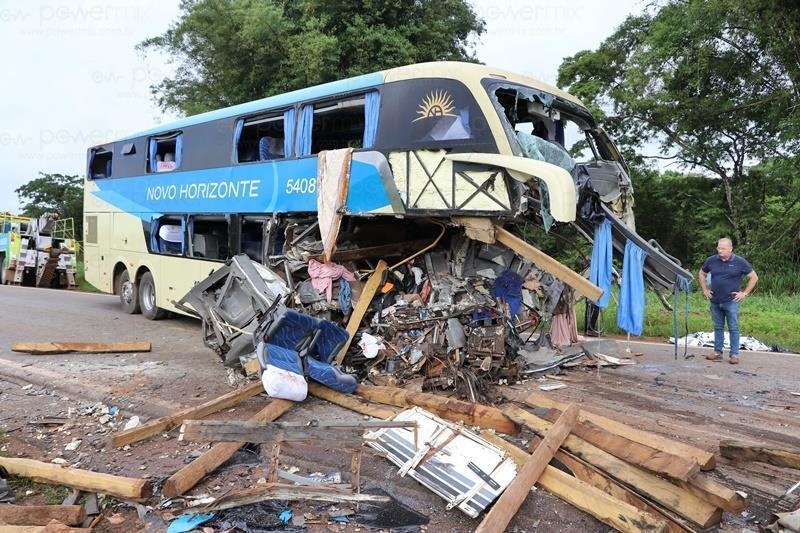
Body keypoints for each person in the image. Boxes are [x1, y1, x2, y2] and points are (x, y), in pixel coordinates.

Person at [698, 238, 758, 364]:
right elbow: (702, 273)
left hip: (731, 301)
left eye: (723, 248)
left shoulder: (739, 262)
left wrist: (745, 293)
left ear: (730, 249)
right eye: (718, 248)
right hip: (715, 300)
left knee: (733, 328)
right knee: (718, 327)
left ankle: (734, 355)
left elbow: (753, 277)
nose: (720, 250)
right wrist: (705, 290)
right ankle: (717, 352)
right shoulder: (711, 260)